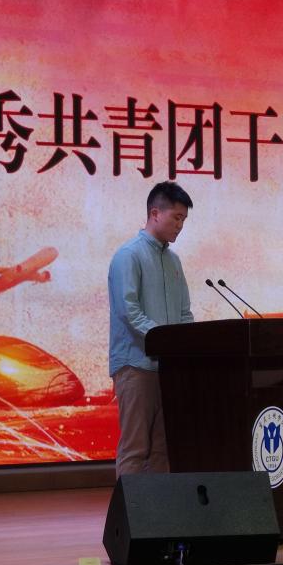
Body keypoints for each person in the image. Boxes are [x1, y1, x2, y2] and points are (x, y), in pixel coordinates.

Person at [107, 181, 194, 477]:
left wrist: (186, 347)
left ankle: (159, 508)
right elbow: (128, 311)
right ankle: (130, 508)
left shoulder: (173, 261)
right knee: (135, 448)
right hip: (136, 366)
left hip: (169, 369)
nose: (180, 225)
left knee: (162, 449)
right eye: (176, 217)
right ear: (155, 213)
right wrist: (167, 341)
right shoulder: (128, 255)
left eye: (184, 219)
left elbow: (184, 313)